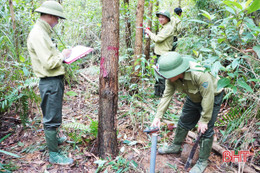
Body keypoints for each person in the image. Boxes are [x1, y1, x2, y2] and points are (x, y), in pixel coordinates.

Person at [151, 52, 224, 173]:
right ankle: (175, 145)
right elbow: (167, 95)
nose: (166, 78)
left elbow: (208, 96)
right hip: (193, 96)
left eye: (167, 75)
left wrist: (204, 120)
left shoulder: (199, 74)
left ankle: (202, 161)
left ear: (177, 71)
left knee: (205, 130)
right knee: (184, 121)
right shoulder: (172, 79)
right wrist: (158, 116)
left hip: (212, 96)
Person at [27, 1, 73, 165]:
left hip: (53, 80)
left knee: (54, 113)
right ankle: (54, 154)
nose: (58, 22)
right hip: (49, 80)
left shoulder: (43, 32)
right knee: (51, 118)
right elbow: (48, 63)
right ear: (51, 16)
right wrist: (63, 55)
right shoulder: (38, 34)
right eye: (57, 18)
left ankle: (55, 141)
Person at [145, 10, 174, 97]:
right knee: (158, 74)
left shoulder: (168, 28)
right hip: (159, 54)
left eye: (163, 17)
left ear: (167, 19)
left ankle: (162, 94)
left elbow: (158, 39)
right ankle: (157, 93)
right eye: (159, 17)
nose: (160, 19)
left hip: (164, 55)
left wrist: (149, 33)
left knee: (162, 75)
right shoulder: (164, 27)